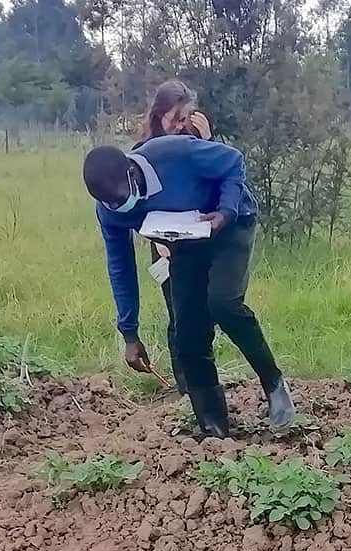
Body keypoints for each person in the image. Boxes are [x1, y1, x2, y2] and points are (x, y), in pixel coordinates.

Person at [83, 126, 294, 438]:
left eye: (120, 197)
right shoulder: (110, 212)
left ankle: (274, 385)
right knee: (187, 332)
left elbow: (233, 161)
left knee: (222, 303)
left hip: (228, 224)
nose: (119, 206)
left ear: (131, 170)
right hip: (185, 240)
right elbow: (120, 267)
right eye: (109, 203)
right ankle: (213, 427)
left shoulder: (175, 153)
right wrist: (129, 333)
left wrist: (224, 211)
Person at [134, 81, 212, 395]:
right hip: (164, 245)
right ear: (158, 116)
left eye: (185, 119)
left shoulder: (195, 144)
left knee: (204, 313)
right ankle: (187, 388)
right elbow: (137, 206)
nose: (180, 127)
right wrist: (156, 241)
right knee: (179, 314)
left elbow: (215, 183)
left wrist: (208, 140)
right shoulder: (143, 154)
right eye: (173, 120)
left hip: (198, 241)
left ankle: (203, 379)